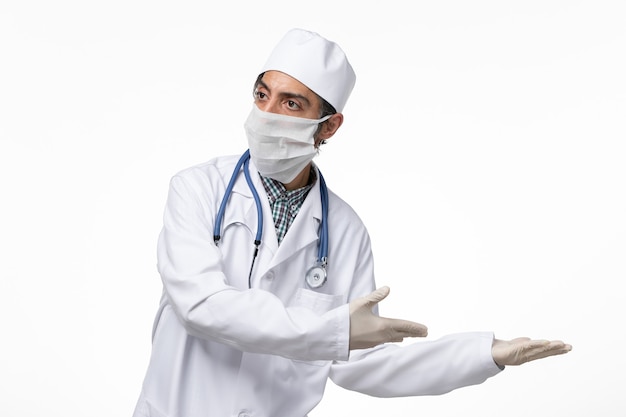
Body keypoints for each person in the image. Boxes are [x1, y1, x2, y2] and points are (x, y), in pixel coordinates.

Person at [132, 28, 572, 417]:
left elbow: (363, 361)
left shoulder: (343, 232)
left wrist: (483, 354)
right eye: (262, 94)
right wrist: (333, 330)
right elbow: (202, 307)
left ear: (329, 126)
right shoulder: (196, 190)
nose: (267, 113)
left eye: (291, 103)